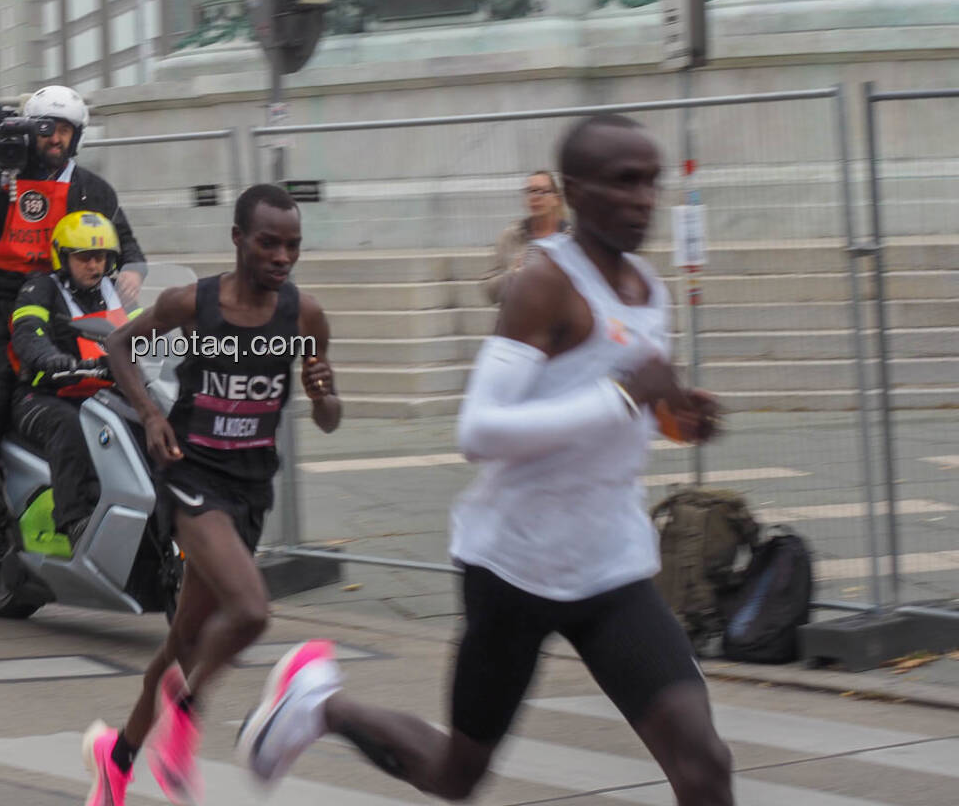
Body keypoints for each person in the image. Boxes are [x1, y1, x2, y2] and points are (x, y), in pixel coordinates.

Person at [236, 115, 733, 806]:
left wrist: (678, 413)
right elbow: (480, 429)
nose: (644, 198)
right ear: (576, 191)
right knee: (455, 775)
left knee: (704, 763)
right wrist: (623, 396)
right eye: (625, 182)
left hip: (611, 567)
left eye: (651, 180)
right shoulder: (544, 283)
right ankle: (323, 707)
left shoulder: (651, 288)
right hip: (515, 568)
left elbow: (632, 406)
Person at [79, 183, 341, 806]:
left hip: (250, 488)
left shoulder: (303, 318)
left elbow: (328, 416)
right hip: (192, 476)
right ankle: (185, 713)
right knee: (251, 611)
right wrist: (148, 413)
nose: (282, 257)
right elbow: (119, 345)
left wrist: (326, 393)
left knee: (186, 641)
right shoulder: (193, 306)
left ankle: (116, 760)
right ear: (237, 240)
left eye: (293, 246)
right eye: (268, 243)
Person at [0, 84, 145, 521]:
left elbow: (127, 244)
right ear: (28, 132)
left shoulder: (93, 189)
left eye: (64, 131)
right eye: (46, 129)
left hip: (68, 309)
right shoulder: (6, 178)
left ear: (76, 137)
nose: (54, 139)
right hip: (3, 303)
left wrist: (132, 268)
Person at [8, 211, 131, 544]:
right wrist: (49, 357)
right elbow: (27, 332)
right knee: (69, 426)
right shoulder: (40, 288)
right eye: (84, 258)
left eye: (101, 257)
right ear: (62, 257)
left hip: (102, 393)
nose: (94, 266)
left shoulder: (115, 290)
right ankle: (74, 519)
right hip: (44, 396)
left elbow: (142, 331)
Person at [483, 169, 569, 305]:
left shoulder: (571, 239)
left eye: (541, 191)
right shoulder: (512, 236)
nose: (535, 197)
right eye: (530, 191)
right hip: (521, 321)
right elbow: (490, 292)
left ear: (556, 199)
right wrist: (513, 274)